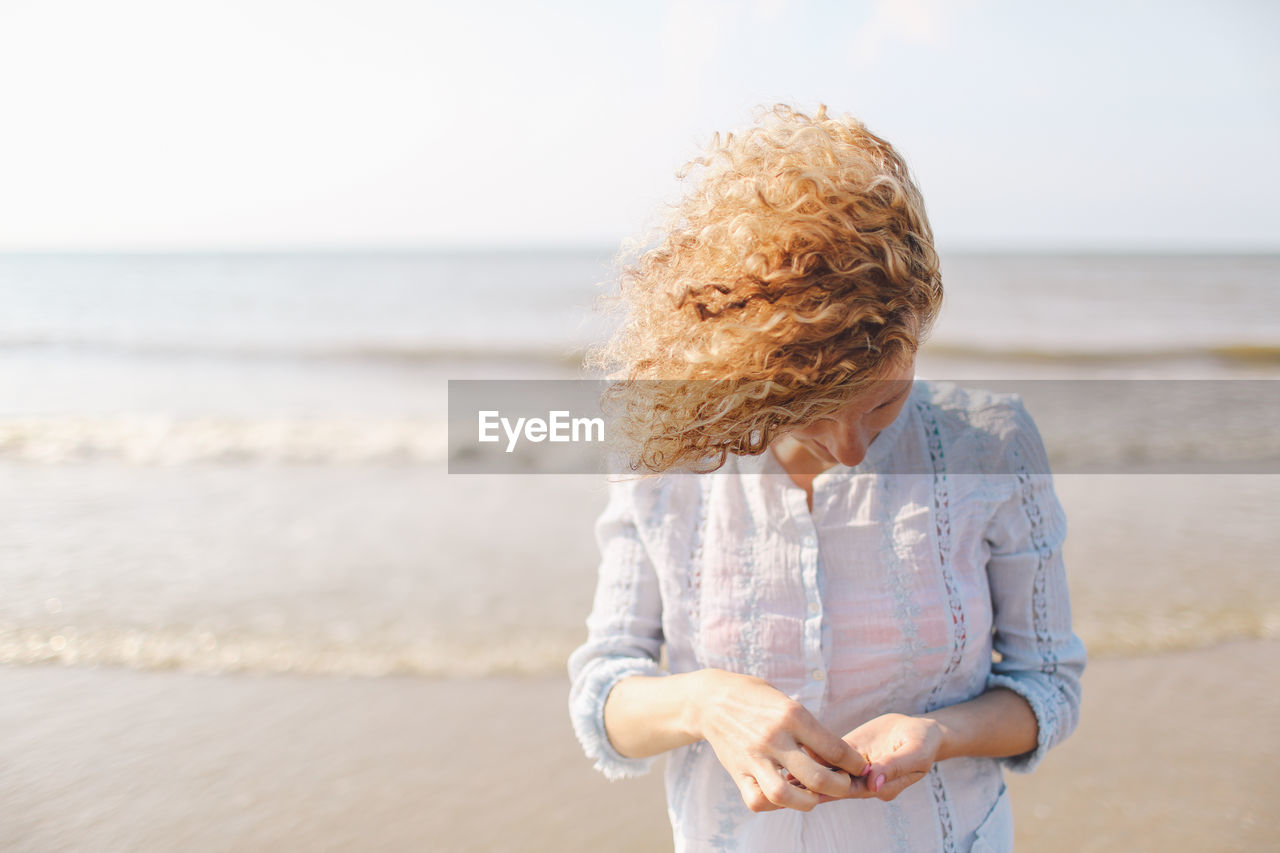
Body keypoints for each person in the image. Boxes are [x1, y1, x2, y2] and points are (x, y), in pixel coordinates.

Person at [567, 104, 1086, 852]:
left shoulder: (994, 445)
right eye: (806, 412)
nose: (848, 448)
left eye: (884, 399)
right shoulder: (668, 461)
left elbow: (1050, 684)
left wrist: (940, 733)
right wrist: (708, 703)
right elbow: (603, 693)